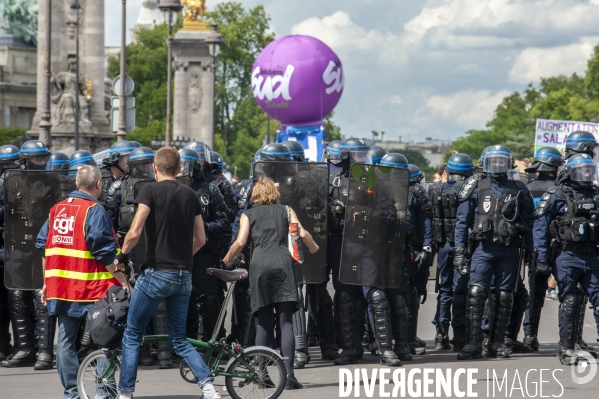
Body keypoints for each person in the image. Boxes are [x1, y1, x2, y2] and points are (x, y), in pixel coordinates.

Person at [117, 147, 219, 399]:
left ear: (154, 168)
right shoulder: (190, 195)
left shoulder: (148, 190)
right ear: (179, 169)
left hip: (156, 273)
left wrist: (121, 257)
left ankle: (125, 393)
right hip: (183, 275)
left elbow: (135, 231)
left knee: (132, 334)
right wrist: (185, 257)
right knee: (180, 339)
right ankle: (209, 387)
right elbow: (201, 238)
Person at [35, 165, 131, 398]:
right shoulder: (94, 210)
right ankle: (102, 393)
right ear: (98, 184)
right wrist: (123, 280)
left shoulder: (56, 210)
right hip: (92, 287)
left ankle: (72, 393)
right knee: (105, 341)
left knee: (66, 341)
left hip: (62, 287)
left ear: (77, 184)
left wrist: (47, 281)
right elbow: (106, 252)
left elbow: (43, 246)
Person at [222, 177, 319, 390]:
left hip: (260, 266)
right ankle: (290, 376)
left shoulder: (248, 214)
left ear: (255, 195)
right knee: (285, 322)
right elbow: (301, 233)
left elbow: (240, 242)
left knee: (263, 323)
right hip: (283, 265)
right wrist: (313, 248)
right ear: (274, 194)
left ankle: (263, 374)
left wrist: (228, 259)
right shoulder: (286, 210)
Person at [453, 144, 535, 360]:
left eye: (502, 161)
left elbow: (529, 221)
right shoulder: (476, 185)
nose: (498, 164)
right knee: (476, 293)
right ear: (486, 162)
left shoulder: (518, 188)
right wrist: (459, 251)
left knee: (505, 295)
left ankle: (496, 342)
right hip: (482, 248)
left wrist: (532, 251)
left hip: (509, 249)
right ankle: (472, 343)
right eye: (494, 160)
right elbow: (462, 223)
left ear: (508, 163)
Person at [534, 152, 599, 364]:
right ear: (571, 172)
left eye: (590, 170)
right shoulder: (557, 195)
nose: (587, 174)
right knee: (570, 300)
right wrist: (542, 258)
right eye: (582, 170)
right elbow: (541, 228)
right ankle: (567, 349)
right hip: (567, 255)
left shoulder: (596, 194)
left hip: (591, 255)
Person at [429, 153, 474, 352]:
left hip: (443, 246)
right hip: (461, 246)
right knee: (460, 291)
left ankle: (440, 335)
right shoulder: (470, 192)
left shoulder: (434, 189)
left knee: (444, 290)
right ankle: (458, 336)